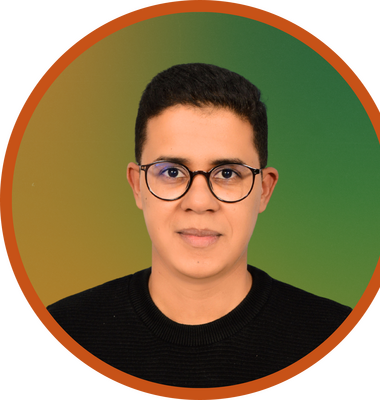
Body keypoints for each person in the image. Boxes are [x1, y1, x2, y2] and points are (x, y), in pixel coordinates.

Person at [47, 63, 352, 388]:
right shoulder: (62, 332)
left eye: (227, 173)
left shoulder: (337, 336)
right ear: (137, 185)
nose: (199, 201)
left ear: (264, 190)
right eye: (172, 172)